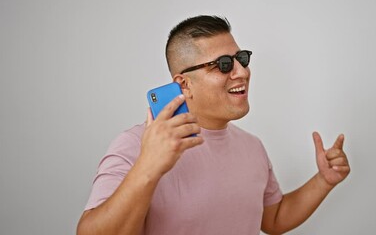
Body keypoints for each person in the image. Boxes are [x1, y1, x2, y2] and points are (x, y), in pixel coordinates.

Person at [77, 15, 350, 235]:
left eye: (241, 59)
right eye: (223, 64)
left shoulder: (252, 147)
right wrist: (148, 166)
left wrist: (323, 181)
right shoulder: (134, 145)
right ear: (184, 84)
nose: (242, 72)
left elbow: (274, 219)